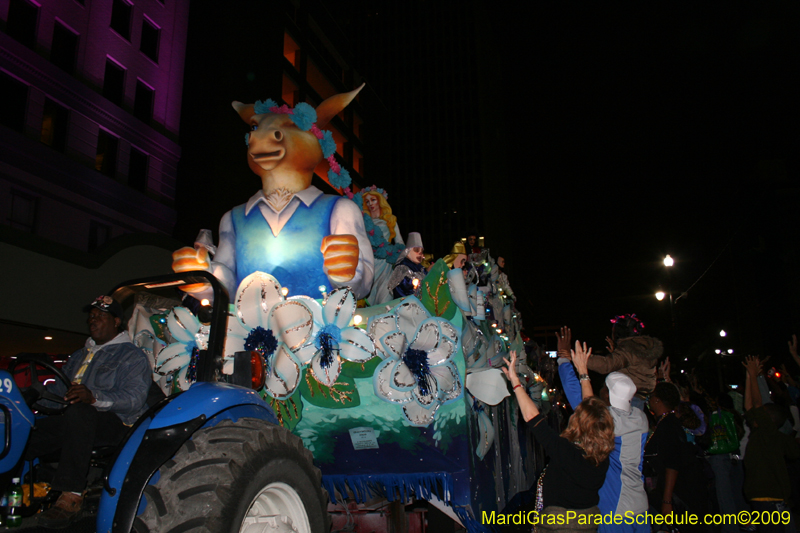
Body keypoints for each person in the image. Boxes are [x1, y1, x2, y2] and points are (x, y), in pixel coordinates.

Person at [27, 295, 152, 528]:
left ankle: (71, 494)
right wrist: (29, 398)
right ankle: (19, 488)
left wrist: (94, 397)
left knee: (80, 412)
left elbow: (134, 400)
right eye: (91, 316)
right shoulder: (78, 356)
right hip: (75, 421)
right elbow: (59, 393)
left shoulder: (132, 356)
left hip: (119, 425)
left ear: (116, 321)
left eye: (101, 316)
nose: (93, 320)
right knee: (25, 428)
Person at [504, 347, 614, 532]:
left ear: (579, 425)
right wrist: (583, 372)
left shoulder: (567, 453)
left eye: (577, 414)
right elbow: (591, 411)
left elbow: (533, 418)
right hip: (587, 523)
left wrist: (515, 382)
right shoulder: (602, 454)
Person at [556, 328, 649, 533]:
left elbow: (582, 400)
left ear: (607, 394)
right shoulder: (640, 418)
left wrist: (573, 365)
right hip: (641, 506)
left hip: (616, 509)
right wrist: (619, 358)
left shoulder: (609, 423)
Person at [741, 355, 799, 533]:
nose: (756, 414)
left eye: (762, 414)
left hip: (770, 499)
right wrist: (749, 376)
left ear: (768, 419)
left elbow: (757, 403)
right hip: (766, 499)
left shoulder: (769, 433)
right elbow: (749, 406)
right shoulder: (761, 434)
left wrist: (754, 376)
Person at [644, 382, 709, 531]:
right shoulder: (667, 423)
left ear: (657, 400)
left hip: (677, 493)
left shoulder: (668, 425)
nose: (649, 400)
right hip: (674, 492)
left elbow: (672, 463)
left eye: (651, 397)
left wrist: (667, 501)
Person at [588, 314, 663, 410]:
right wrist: (616, 352)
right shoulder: (642, 347)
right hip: (639, 398)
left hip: (628, 399)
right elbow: (631, 366)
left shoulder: (628, 349)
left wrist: (581, 358)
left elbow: (606, 365)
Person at [361, 189, 404, 305]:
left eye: (373, 200)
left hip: (386, 263)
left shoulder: (390, 220)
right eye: (367, 201)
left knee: (385, 296)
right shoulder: (364, 222)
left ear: (380, 201)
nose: (370, 204)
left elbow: (400, 242)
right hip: (370, 262)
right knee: (369, 296)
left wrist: (400, 257)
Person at [388, 232, 427, 299]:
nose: (420, 254)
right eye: (416, 250)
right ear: (408, 252)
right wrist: (414, 282)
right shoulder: (402, 266)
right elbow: (405, 285)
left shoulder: (421, 268)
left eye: (421, 252)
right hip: (405, 302)